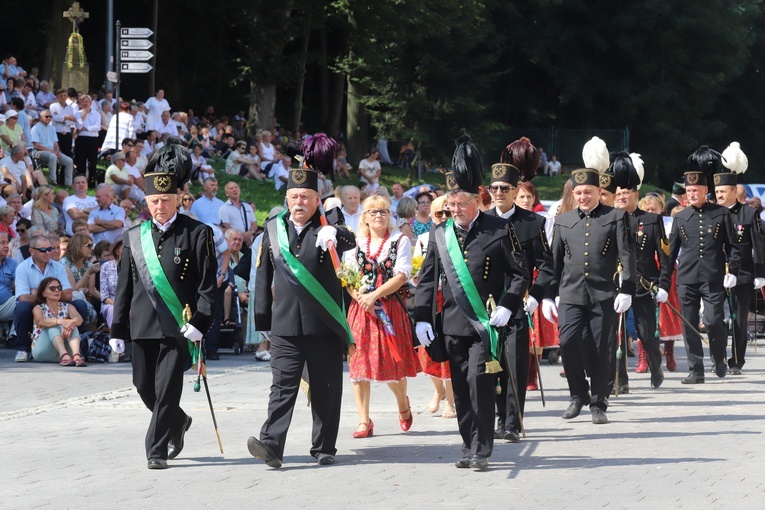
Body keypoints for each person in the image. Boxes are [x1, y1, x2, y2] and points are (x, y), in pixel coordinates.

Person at [414, 135, 528, 470]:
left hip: (486, 324)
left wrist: (508, 305)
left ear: (477, 199)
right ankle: (468, 445)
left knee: (480, 383)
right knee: (461, 389)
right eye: (451, 204)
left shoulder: (497, 229)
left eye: (461, 203)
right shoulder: (440, 233)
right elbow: (426, 279)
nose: (455, 210)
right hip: (452, 324)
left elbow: (520, 274)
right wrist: (421, 318)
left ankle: (482, 449)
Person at [248, 134, 355, 468]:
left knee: (325, 387)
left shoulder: (328, 225)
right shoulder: (273, 229)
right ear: (286, 198)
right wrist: (263, 322)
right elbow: (263, 278)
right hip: (284, 326)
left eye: (305, 197)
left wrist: (336, 234)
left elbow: (351, 242)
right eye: (293, 196)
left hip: (323, 324)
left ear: (316, 198)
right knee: (282, 387)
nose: (298, 202)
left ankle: (324, 447)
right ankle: (272, 446)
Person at [110, 141, 217, 470]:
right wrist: (117, 328)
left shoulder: (197, 233)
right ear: (147, 201)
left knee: (167, 387)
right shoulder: (133, 236)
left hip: (177, 326)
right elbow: (125, 288)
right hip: (142, 323)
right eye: (154, 201)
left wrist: (201, 321)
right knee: (144, 387)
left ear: (178, 200)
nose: (159, 207)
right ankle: (178, 420)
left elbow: (207, 284)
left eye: (165, 201)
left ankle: (155, 450)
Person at [543, 165, 636, 425]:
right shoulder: (563, 220)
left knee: (600, 349)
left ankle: (598, 402)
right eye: (579, 192)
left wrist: (627, 288)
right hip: (570, 294)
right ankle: (578, 393)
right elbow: (555, 262)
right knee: (568, 343)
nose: (583, 197)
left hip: (603, 293)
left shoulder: (616, 216)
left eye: (589, 192)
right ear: (574, 193)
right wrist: (550, 295)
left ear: (599, 191)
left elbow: (627, 255)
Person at [484, 137, 554, 442]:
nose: (499, 193)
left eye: (505, 189)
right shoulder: (482, 223)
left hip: (520, 301)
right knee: (492, 364)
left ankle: (512, 421)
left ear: (517, 191)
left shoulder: (533, 222)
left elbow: (547, 265)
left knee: (514, 360)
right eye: (494, 188)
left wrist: (536, 297)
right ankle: (498, 418)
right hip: (487, 303)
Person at [658, 146, 741, 383]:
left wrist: (732, 270)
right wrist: (664, 283)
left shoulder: (721, 214)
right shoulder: (681, 217)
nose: (692, 194)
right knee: (689, 323)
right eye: (689, 190)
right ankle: (696, 370)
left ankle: (718, 357)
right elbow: (670, 254)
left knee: (714, 320)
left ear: (706, 190)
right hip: (687, 280)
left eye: (696, 190)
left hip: (714, 278)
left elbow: (734, 246)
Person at [346, 195, 419, 439]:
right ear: (364, 217)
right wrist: (361, 298)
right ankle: (363, 420)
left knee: (393, 365)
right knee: (359, 367)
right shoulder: (355, 244)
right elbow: (347, 277)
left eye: (384, 212)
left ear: (390, 215)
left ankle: (402, 404)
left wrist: (375, 295)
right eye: (373, 212)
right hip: (362, 311)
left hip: (390, 309)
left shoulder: (400, 241)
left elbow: (401, 275)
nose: (379, 216)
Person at [611, 152, 667, 391]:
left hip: (644, 285)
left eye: (627, 193)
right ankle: (621, 380)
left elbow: (665, 256)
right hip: (617, 285)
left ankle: (656, 366)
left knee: (646, 334)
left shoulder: (652, 221)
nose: (622, 197)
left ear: (636, 195)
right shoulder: (610, 220)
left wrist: (664, 285)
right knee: (618, 335)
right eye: (619, 193)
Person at [714, 142, 765, 375]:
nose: (718, 196)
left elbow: (758, 244)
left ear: (734, 191)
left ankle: (736, 360)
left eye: (722, 192)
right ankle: (718, 358)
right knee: (715, 318)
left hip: (743, 274)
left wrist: (761, 273)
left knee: (738, 319)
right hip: (716, 272)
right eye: (716, 192)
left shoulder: (749, 213)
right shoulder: (712, 213)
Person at [412, 194, 456, 419]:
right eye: (439, 213)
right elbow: (416, 275)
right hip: (432, 301)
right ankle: (437, 391)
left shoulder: (458, 236)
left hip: (452, 301)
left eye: (448, 212)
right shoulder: (423, 238)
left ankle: (450, 399)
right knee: (427, 352)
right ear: (431, 215)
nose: (444, 217)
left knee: (449, 352)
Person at [11, 235, 88, 362]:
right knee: (22, 307)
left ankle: (77, 349)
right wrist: (50, 294)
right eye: (43, 250)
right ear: (31, 251)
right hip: (36, 307)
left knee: (80, 304)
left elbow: (68, 295)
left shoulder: (58, 267)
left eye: (50, 249)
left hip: (58, 306)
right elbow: (23, 297)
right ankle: (23, 348)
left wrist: (39, 292)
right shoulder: (22, 268)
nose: (48, 252)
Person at [30, 276, 86, 366]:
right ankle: (64, 355)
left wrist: (70, 323)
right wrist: (62, 322)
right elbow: (40, 321)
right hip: (42, 351)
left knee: (72, 324)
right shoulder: (38, 308)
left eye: (59, 288)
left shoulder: (67, 306)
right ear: (43, 293)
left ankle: (76, 356)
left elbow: (79, 319)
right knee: (53, 325)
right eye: (52, 288)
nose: (57, 291)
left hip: (67, 354)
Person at [59, 233, 100, 326]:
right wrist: (88, 273)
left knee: (98, 306)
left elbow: (92, 291)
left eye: (92, 245)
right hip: (68, 301)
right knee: (82, 305)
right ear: (78, 247)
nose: (91, 249)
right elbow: (73, 289)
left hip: (85, 299)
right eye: (88, 246)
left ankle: (91, 338)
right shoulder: (64, 264)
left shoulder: (88, 264)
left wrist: (111, 302)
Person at [30, 109, 74, 185]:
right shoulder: (35, 128)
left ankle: (68, 183)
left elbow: (56, 143)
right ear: (41, 118)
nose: (49, 118)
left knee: (69, 161)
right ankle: (53, 180)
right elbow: (36, 145)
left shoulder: (52, 128)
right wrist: (50, 151)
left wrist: (56, 150)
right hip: (38, 152)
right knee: (52, 156)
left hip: (52, 151)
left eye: (50, 116)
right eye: (47, 116)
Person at [74, 95, 102, 186]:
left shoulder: (96, 114)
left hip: (92, 139)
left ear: (90, 103)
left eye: (86, 101)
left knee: (92, 162)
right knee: (80, 161)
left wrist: (87, 128)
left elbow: (97, 127)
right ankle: (80, 181)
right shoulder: (78, 113)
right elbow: (79, 127)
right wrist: (84, 114)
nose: (85, 103)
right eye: (83, 102)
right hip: (81, 139)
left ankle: (91, 182)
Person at [219, 181, 257, 246]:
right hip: (234, 242)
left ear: (239, 190)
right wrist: (241, 236)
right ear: (226, 193)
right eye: (231, 188)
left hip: (250, 241)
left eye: (236, 187)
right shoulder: (224, 208)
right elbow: (226, 226)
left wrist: (250, 233)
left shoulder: (247, 206)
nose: (234, 190)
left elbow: (254, 223)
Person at [99, 240, 122, 328]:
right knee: (113, 310)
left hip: (132, 303)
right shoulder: (106, 266)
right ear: (117, 251)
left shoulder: (133, 265)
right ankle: (115, 337)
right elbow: (104, 297)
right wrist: (119, 305)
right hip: (111, 303)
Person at [0, 232, 18, 325]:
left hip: (6, 306)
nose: (6, 246)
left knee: (23, 302)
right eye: (2, 243)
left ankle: (13, 336)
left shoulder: (12, 263)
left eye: (7, 243)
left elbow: (20, 284)